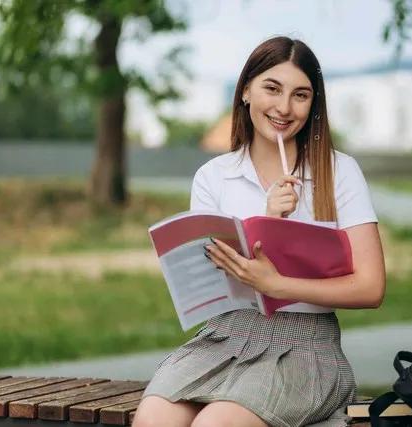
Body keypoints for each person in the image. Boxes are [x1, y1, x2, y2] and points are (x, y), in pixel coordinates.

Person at [133, 36, 385, 427]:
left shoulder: (339, 171)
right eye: (272, 88)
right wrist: (264, 219)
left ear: (313, 104)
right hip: (224, 338)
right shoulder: (213, 177)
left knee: (215, 424)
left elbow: (371, 288)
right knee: (153, 418)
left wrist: (280, 285)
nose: (284, 108)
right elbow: (209, 282)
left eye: (300, 95)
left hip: (305, 347)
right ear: (246, 90)